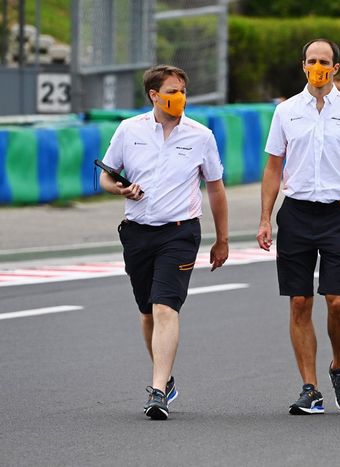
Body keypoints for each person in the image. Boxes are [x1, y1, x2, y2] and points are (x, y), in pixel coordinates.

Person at [256, 38, 340, 415]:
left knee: (338, 302)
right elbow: (273, 166)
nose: (318, 66)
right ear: (303, 65)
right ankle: (309, 387)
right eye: (312, 60)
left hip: (339, 215)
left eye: (324, 61)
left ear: (336, 68)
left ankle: (338, 366)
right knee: (299, 302)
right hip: (295, 214)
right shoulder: (287, 112)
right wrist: (265, 216)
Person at [99, 65, 229, 420]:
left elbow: (215, 188)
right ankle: (166, 378)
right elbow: (106, 176)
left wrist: (222, 239)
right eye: (172, 91)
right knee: (147, 313)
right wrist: (121, 188)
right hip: (138, 232)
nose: (180, 97)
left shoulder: (200, 135)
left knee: (164, 307)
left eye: (183, 90)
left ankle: (157, 392)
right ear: (154, 95)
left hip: (181, 232)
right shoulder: (129, 130)